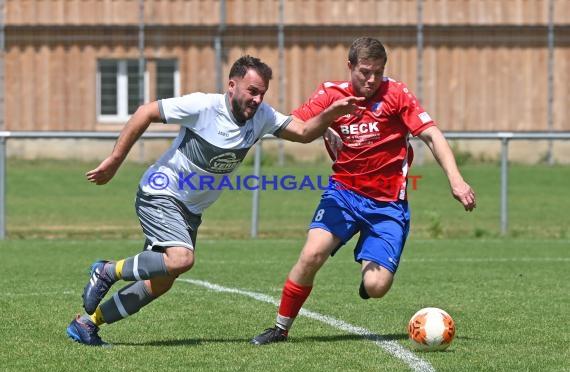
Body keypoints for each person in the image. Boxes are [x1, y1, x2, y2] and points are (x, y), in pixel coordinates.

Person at [66, 55, 364, 346]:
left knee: (161, 281)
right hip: (162, 192)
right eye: (252, 91)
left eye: (262, 93)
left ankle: (87, 324)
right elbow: (146, 112)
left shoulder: (262, 117)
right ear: (232, 85)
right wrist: (115, 160)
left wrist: (329, 116)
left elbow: (302, 131)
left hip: (190, 210)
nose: (258, 99)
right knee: (181, 259)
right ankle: (106, 271)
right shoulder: (203, 106)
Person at [250, 37, 476, 345]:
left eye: (378, 72)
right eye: (365, 72)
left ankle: (368, 273)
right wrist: (327, 118)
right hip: (343, 193)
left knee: (376, 287)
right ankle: (280, 328)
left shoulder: (396, 94)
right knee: (312, 253)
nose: (371, 80)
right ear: (350, 66)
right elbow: (297, 124)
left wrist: (456, 179)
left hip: (387, 204)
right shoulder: (331, 93)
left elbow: (432, 135)